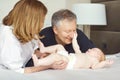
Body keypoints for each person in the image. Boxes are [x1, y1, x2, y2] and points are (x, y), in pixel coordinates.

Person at [0, 0, 67, 73]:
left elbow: (33, 52)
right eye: (41, 20)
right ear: (31, 20)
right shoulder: (8, 35)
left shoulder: (28, 32)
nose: (42, 25)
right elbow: (18, 71)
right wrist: (49, 66)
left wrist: (50, 57)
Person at [32, 33, 113, 69]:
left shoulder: (94, 61)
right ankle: (44, 49)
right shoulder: (82, 54)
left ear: (98, 56)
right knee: (59, 46)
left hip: (69, 63)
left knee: (55, 56)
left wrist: (104, 63)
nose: (89, 49)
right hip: (68, 56)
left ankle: (39, 63)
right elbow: (76, 47)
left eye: (92, 50)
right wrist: (74, 39)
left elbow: (95, 67)